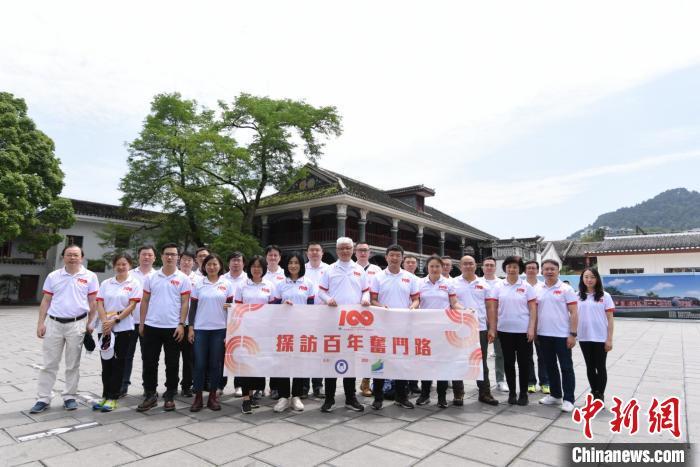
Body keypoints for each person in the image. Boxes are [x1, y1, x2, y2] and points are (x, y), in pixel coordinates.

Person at [30, 245, 99, 414]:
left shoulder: (90, 277)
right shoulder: (54, 276)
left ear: (81, 258)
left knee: (72, 364)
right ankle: (43, 398)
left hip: (77, 323)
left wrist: (90, 324)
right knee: (49, 363)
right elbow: (46, 300)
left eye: (76, 255)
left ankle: (69, 396)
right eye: (69, 255)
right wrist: (41, 323)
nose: (72, 258)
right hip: (54, 323)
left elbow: (93, 302)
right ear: (63, 257)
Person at [317, 237, 370, 413]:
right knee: (331, 359)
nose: (345, 251)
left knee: (351, 360)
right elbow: (321, 291)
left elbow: (366, 290)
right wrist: (328, 299)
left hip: (353, 323)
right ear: (337, 250)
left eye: (348, 248)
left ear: (353, 250)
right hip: (333, 320)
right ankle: (330, 398)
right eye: (342, 248)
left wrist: (365, 298)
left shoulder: (359, 270)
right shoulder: (330, 269)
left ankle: (350, 397)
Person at [137, 243, 192, 412]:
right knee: (149, 362)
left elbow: (185, 303)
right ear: (161, 256)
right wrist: (142, 322)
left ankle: (170, 394)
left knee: (172, 362)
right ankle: (150, 394)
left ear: (178, 258)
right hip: (152, 326)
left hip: (173, 327)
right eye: (167, 254)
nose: (170, 257)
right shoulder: (151, 278)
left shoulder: (183, 278)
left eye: (173, 254)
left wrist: (181, 324)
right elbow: (145, 301)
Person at [369, 244, 419, 410]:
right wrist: (380, 306)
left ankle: (401, 396)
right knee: (378, 362)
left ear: (402, 258)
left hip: (403, 327)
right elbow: (373, 299)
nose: (395, 258)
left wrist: (413, 306)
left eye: (398, 255)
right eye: (392, 255)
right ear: (386, 257)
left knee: (401, 363)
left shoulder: (409, 277)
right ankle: (378, 397)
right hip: (381, 327)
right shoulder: (378, 277)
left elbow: (416, 299)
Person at [93, 253, 142, 412]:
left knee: (119, 363)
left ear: (129, 265)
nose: (121, 267)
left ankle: (113, 397)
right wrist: (105, 322)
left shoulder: (134, 283)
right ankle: (105, 396)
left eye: (124, 264)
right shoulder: (106, 283)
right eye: (118, 264)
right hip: (105, 329)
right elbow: (99, 303)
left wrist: (115, 320)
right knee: (106, 363)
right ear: (114, 266)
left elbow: (132, 306)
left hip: (124, 328)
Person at [415, 255, 466, 408]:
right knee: (426, 363)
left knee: (443, 363)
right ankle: (424, 395)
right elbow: (416, 301)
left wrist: (466, 310)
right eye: (432, 266)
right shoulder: (419, 283)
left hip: (444, 328)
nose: (435, 269)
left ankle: (442, 397)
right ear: (427, 268)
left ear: (442, 268)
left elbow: (454, 303)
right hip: (425, 329)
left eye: (438, 266)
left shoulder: (448, 283)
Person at [188, 254, 234, 412]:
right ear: (204, 267)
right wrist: (191, 327)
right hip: (201, 330)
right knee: (199, 364)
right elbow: (192, 308)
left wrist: (230, 331)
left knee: (215, 365)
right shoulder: (198, 284)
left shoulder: (227, 284)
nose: (212, 267)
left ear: (220, 266)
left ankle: (213, 396)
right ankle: (198, 397)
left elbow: (232, 309)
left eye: (215, 264)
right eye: (209, 264)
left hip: (220, 330)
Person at [236, 255, 280, 414]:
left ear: (264, 269)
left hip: (263, 332)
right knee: (246, 365)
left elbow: (274, 308)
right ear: (249, 268)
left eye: (259, 266)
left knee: (258, 365)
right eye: (253, 266)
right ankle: (246, 399)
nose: (256, 269)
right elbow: (237, 310)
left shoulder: (270, 285)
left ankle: (254, 393)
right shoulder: (242, 286)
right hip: (245, 332)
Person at [453, 255, 499, 406]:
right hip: (458, 329)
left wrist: (492, 328)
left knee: (481, 361)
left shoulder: (484, 284)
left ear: (475, 266)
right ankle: (458, 393)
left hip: (480, 328)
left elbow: (490, 308)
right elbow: (451, 304)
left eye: (470, 264)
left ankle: (485, 393)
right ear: (460, 266)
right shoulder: (453, 283)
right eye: (465, 264)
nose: (468, 266)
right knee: (458, 360)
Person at [273, 251, 316, 412]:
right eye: (290, 262)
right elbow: (273, 308)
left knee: (299, 362)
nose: (293, 265)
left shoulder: (309, 283)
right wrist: (283, 305)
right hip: (284, 329)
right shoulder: (280, 284)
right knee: (283, 362)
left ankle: (296, 395)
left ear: (301, 265)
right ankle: (284, 397)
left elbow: (311, 307)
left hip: (302, 329)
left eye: (296, 262)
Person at [492, 256, 537, 406]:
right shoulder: (499, 286)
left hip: (523, 331)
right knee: (509, 363)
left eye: (515, 267)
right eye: (509, 266)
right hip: (504, 330)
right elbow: (493, 308)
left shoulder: (526, 286)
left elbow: (532, 309)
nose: (512, 269)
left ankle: (523, 393)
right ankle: (512, 393)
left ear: (520, 269)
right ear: (505, 268)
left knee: (524, 363)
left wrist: (531, 328)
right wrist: (494, 328)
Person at [537, 259, 579, 413]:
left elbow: (574, 312)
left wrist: (573, 334)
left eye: (552, 269)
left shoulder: (566, 289)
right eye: (546, 269)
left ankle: (568, 399)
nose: (549, 271)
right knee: (550, 366)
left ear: (558, 271)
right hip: (543, 334)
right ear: (542, 271)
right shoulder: (538, 289)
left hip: (562, 335)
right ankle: (555, 395)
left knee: (566, 367)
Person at [121, 245, 156, 397]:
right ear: (138, 256)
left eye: (150, 255)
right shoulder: (129, 274)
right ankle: (123, 386)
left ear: (155, 258)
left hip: (148, 322)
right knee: (126, 356)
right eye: (144, 254)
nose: (147, 257)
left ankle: (148, 387)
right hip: (128, 321)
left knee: (148, 357)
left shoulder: (158, 275)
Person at [577, 267, 614, 406]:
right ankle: (594, 391)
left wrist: (609, 339)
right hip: (584, 337)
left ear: (597, 279)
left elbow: (610, 319)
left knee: (601, 366)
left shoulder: (605, 296)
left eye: (592, 277)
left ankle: (600, 394)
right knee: (590, 366)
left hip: (600, 337)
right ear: (582, 279)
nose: (589, 279)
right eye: (586, 277)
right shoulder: (577, 296)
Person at [354, 241, 382, 397]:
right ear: (355, 252)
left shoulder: (376, 270)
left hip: (373, 314)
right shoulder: (350, 267)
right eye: (360, 250)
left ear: (370, 252)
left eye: (365, 250)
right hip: (353, 315)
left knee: (374, 349)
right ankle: (349, 381)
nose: (363, 253)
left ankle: (367, 382)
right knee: (354, 348)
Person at [304, 241, 328, 398]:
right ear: (307, 253)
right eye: (311, 250)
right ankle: (304, 387)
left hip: (323, 315)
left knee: (320, 351)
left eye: (317, 250)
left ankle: (318, 386)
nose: (314, 253)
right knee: (306, 350)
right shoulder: (301, 268)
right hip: (304, 315)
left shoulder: (329, 269)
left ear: (322, 253)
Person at [222, 251, 247, 396]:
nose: (236, 263)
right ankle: (221, 384)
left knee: (240, 353)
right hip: (223, 321)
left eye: (239, 260)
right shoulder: (222, 279)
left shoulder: (247, 279)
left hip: (242, 323)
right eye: (233, 260)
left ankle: (239, 385)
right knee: (222, 354)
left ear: (243, 263)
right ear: (228, 263)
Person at [263, 245, 286, 400]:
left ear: (280, 258)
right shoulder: (259, 272)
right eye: (270, 255)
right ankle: (258, 388)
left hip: (279, 321)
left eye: (275, 255)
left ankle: (275, 387)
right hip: (261, 320)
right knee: (261, 354)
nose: (272, 258)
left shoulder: (285, 275)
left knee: (277, 355)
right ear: (266, 257)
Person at [524, 260, 550, 395]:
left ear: (538, 270)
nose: (531, 270)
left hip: (541, 326)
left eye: (533, 268)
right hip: (525, 326)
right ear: (524, 270)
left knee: (543, 355)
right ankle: (530, 382)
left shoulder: (543, 286)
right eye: (528, 268)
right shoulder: (521, 285)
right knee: (527, 356)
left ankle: (545, 382)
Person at [482, 257, 508, 393]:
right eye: (486, 265)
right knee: (480, 353)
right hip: (481, 322)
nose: (489, 267)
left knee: (500, 353)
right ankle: (481, 380)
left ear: (495, 268)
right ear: (482, 267)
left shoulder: (503, 283)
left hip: (499, 322)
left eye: (492, 265)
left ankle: (500, 380)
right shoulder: (477, 282)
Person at [178, 251, 198, 397]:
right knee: (171, 357)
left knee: (189, 357)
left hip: (190, 323)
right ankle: (171, 385)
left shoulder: (198, 279)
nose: (186, 262)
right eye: (184, 260)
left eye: (189, 260)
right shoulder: (174, 276)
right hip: (174, 322)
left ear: (194, 262)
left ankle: (187, 385)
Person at [402, 254, 422, 395]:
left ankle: (413, 383)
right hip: (398, 321)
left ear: (416, 265)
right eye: (408, 262)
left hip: (414, 321)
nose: (410, 264)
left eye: (413, 262)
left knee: (414, 354)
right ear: (404, 264)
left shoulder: (420, 281)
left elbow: (417, 299)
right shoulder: (399, 277)